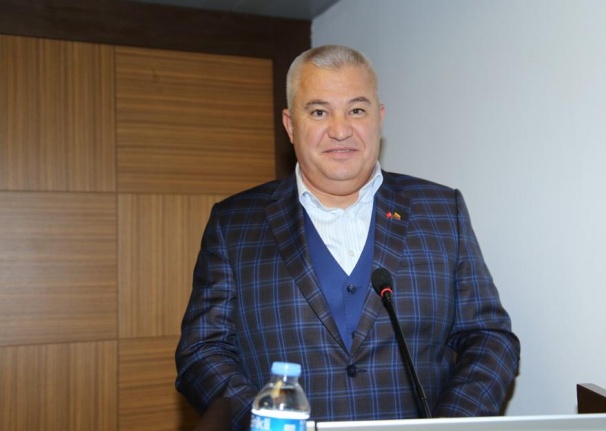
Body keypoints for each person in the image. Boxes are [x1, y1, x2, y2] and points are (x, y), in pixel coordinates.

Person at [175, 44, 520, 430]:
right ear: (290, 125)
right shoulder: (234, 223)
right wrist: (265, 420)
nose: (340, 131)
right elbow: (202, 351)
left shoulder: (441, 211)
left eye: (356, 110)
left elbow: (489, 339)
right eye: (319, 112)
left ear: (379, 118)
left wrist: (449, 425)